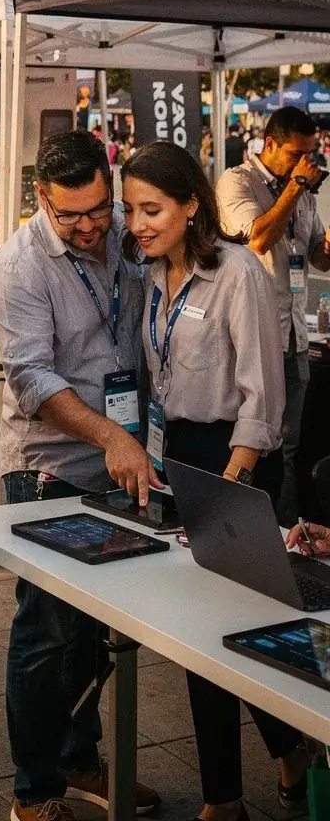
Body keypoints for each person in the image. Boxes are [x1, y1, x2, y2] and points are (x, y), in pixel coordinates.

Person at [122, 141, 308, 821]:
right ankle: (286, 754)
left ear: (192, 204)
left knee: (220, 633)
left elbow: (265, 397)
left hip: (238, 462)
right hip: (184, 460)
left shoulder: (237, 273)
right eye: (131, 211)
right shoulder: (153, 275)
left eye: (152, 209)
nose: (137, 224)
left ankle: (222, 800)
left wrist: (228, 486)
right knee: (212, 632)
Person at [0, 130, 161, 821]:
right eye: (72, 217)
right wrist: (110, 434)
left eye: (99, 209)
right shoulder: (20, 266)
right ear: (41, 199)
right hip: (49, 470)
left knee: (95, 632)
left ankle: (81, 759)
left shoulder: (124, 231)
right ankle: (34, 789)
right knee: (47, 634)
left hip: (119, 461)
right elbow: (30, 377)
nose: (90, 228)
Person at [216, 105, 330, 526]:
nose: (304, 163)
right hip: (254, 337)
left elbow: (318, 257)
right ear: (269, 144)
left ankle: (286, 531)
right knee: (257, 443)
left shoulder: (301, 191)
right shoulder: (236, 182)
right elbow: (258, 239)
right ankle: (258, 530)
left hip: (295, 337)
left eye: (309, 154)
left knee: (291, 446)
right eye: (296, 154)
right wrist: (296, 186)